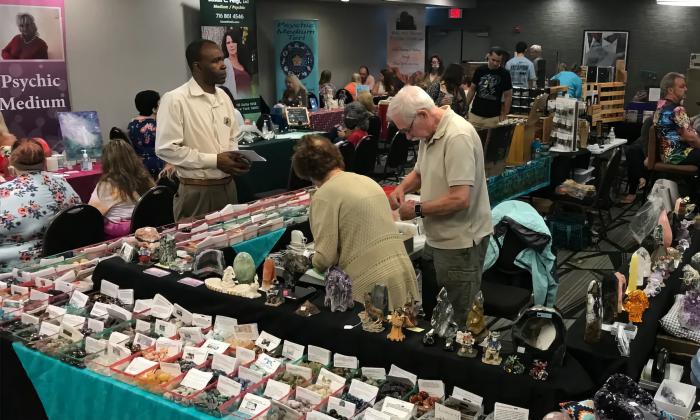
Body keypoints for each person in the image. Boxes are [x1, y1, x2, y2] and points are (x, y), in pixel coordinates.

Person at [387, 86, 492, 325]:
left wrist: (416, 209)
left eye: (407, 129)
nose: (407, 137)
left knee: (461, 316)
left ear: (423, 114)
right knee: (438, 311)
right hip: (439, 237)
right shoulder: (429, 132)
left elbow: (460, 199)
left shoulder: (457, 137)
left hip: (460, 241)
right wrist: (401, 189)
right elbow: (419, 172)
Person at [292, 134, 420, 310]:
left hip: (371, 283)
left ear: (306, 171)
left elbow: (325, 259)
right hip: (402, 270)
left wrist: (309, 259)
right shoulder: (368, 181)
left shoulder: (324, 195)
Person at [156, 39, 251, 221]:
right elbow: (166, 148)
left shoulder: (223, 96)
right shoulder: (176, 99)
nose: (223, 66)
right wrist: (214, 161)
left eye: (222, 59)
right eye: (215, 61)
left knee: (233, 244)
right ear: (197, 67)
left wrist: (235, 159)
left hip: (229, 186)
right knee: (196, 247)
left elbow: (233, 136)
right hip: (197, 191)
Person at [0, 138, 80, 270]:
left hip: (19, 265)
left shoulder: (4, 192)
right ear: (44, 161)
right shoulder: (63, 183)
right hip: (66, 255)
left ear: (12, 163)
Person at [89, 139, 154, 239]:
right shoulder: (145, 178)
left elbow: (92, 215)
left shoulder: (107, 184)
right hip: (146, 226)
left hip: (120, 234)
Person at [654, 72, 700, 167]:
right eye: (682, 87)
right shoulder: (678, 110)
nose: (686, 89)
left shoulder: (660, 107)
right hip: (678, 155)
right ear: (670, 90)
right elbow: (691, 137)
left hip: (665, 154)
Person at [466, 48, 513, 130]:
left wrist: (505, 114)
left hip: (493, 117)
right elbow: (472, 89)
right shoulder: (480, 70)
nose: (495, 63)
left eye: (498, 61)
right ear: (488, 56)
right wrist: (465, 106)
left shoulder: (505, 74)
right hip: (476, 114)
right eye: (493, 60)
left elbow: (508, 96)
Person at [127, 90, 165, 178]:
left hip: (138, 166)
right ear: (154, 109)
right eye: (159, 104)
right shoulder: (157, 126)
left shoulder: (132, 124)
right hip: (156, 166)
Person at [621, 117, 652, 204]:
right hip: (647, 141)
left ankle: (633, 190)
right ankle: (641, 177)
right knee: (633, 150)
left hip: (663, 143)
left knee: (633, 151)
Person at [221, 29, 252, 97]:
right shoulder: (225, 63)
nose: (231, 45)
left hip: (248, 103)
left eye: (233, 42)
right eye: (228, 43)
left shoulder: (243, 63)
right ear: (225, 46)